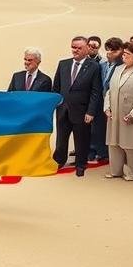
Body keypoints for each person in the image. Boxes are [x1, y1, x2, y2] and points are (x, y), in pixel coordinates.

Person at [52, 36, 103, 177]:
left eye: (79, 48)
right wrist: (56, 105)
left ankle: (81, 165)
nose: (75, 50)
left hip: (82, 111)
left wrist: (91, 112)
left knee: (81, 140)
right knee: (61, 140)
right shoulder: (63, 64)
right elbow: (56, 87)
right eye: (73, 47)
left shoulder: (94, 66)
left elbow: (95, 91)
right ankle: (59, 161)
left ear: (87, 48)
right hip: (63, 110)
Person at [103, 42, 133, 181]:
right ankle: (115, 171)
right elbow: (110, 90)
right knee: (114, 143)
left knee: (131, 144)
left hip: (131, 115)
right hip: (114, 113)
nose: (124, 56)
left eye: (128, 54)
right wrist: (107, 107)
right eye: (123, 54)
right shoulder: (118, 69)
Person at [90, 37, 123, 162]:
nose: (110, 53)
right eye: (108, 50)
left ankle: (113, 154)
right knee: (100, 128)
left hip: (115, 101)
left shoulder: (122, 65)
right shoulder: (102, 64)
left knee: (114, 129)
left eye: (113, 50)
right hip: (102, 101)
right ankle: (101, 151)